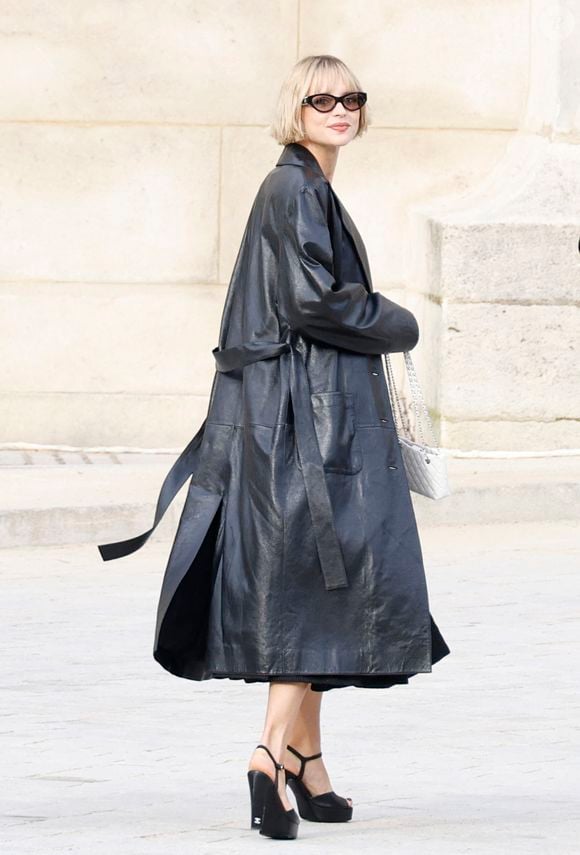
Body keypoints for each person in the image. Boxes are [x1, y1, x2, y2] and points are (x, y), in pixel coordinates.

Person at [98, 54, 451, 840]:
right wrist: (398, 320)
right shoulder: (293, 187)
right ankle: (266, 756)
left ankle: (307, 763)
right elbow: (311, 301)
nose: (340, 109)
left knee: (318, 583)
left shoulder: (306, 185)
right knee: (323, 580)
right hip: (303, 422)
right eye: (322, 98)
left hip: (302, 414)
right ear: (296, 108)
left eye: (351, 98)